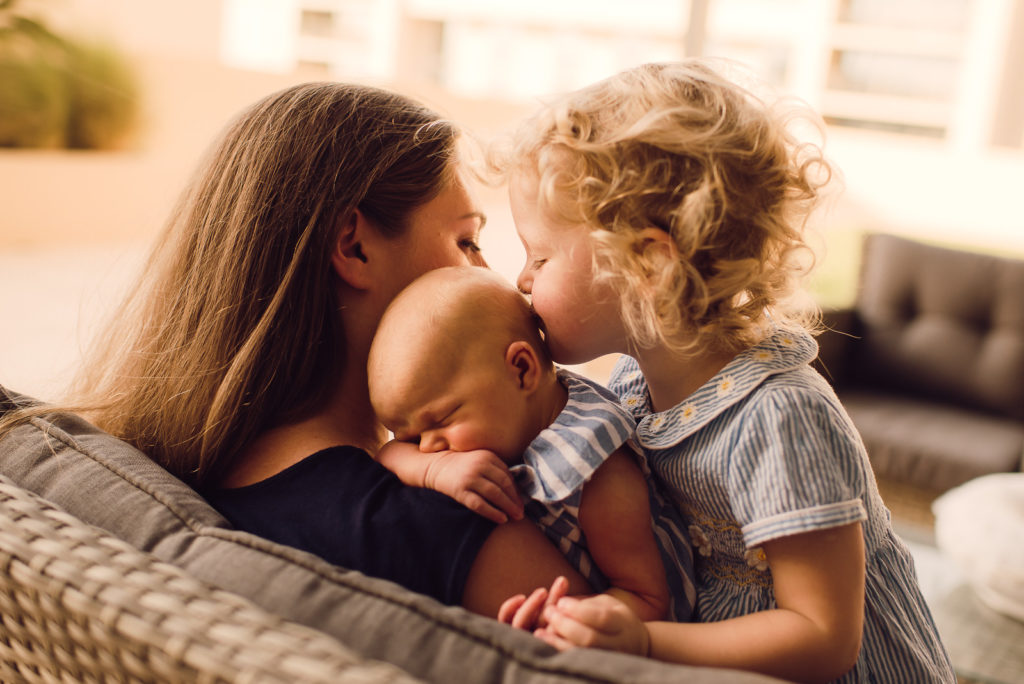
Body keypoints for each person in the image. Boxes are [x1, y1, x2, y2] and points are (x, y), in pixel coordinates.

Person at [0, 82, 593, 617]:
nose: (491, 275)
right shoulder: (458, 521)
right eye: (466, 240)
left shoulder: (151, 476)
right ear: (354, 247)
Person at [494, 61, 955, 683]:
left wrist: (645, 643)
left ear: (648, 265)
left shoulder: (780, 418)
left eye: (540, 255)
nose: (522, 279)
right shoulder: (633, 390)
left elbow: (823, 636)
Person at [366, 265, 696, 623]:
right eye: (412, 436)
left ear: (522, 370)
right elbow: (387, 454)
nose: (426, 447)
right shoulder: (508, 415)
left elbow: (648, 600)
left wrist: (563, 619)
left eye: (441, 421)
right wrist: (434, 470)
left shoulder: (596, 472)